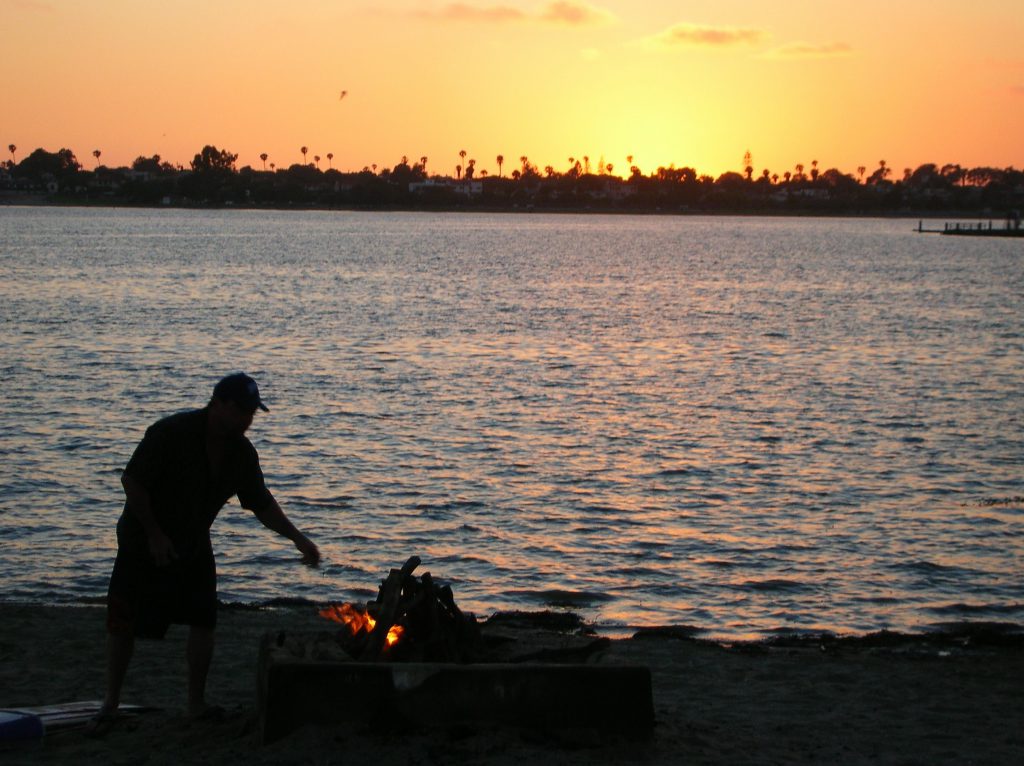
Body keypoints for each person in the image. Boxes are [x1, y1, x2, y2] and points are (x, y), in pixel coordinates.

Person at [90, 373, 320, 732]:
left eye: (252, 413)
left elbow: (261, 504)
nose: (247, 420)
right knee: (124, 621)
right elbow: (133, 482)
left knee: (203, 621)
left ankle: (195, 704)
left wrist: (298, 539)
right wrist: (154, 533)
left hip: (194, 541)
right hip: (142, 538)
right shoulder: (170, 433)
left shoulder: (241, 453)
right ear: (218, 405)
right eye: (241, 411)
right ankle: (110, 703)